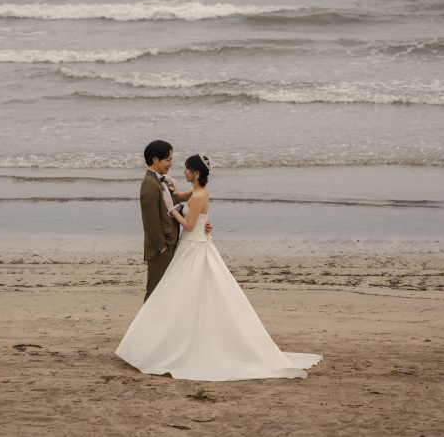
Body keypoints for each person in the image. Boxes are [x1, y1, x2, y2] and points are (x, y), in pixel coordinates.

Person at [117, 153, 322, 381]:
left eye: (186, 169)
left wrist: (171, 210)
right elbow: (183, 200)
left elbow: (189, 223)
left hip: (192, 245)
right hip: (193, 244)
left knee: (180, 295)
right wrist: (173, 190)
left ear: (195, 173)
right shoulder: (196, 192)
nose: (182, 171)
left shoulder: (198, 195)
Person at [139, 140, 212, 301]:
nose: (171, 164)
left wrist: (202, 223)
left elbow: (182, 200)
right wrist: (161, 247)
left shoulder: (164, 180)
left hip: (174, 244)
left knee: (167, 293)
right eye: (168, 160)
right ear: (155, 159)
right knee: (154, 293)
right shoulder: (150, 184)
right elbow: (150, 220)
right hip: (162, 249)